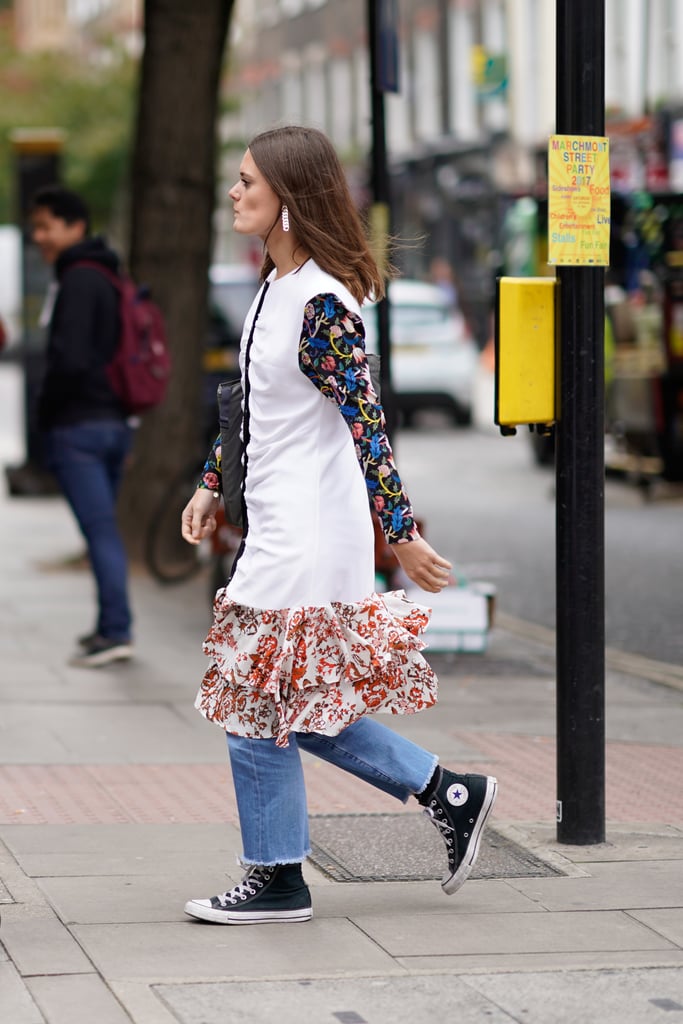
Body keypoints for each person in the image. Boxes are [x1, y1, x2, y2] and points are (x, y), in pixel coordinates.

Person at [180, 126, 497, 926]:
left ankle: (279, 878)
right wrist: (213, 481)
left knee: (254, 698)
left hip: (310, 539)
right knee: (295, 702)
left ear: (288, 197)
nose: (234, 191)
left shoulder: (322, 301)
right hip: (282, 526)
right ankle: (448, 793)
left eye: (247, 181)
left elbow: (368, 424)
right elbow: (253, 406)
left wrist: (401, 530)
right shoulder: (275, 284)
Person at [31, 186, 134, 668]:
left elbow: (69, 360)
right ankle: (108, 626)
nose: (39, 236)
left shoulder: (77, 279)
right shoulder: (108, 274)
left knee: (100, 531)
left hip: (81, 426)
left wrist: (45, 413)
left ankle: (116, 630)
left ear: (75, 226)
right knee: (102, 528)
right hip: (115, 420)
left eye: (46, 225)